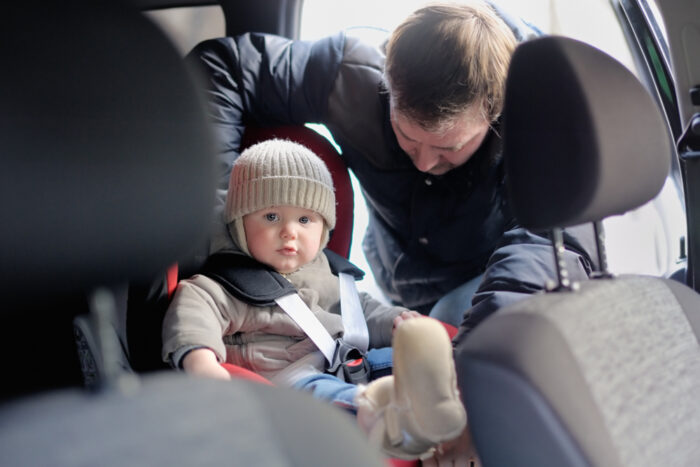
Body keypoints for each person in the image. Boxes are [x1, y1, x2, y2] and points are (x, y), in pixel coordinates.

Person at [186, 0, 597, 331]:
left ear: (495, 113)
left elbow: (553, 241)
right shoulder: (351, 76)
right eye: (407, 136)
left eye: (449, 147)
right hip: (391, 276)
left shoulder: (540, 116)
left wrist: (477, 343)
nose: (424, 162)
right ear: (388, 84)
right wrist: (221, 220)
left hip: (493, 276)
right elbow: (223, 68)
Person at [162, 139, 467, 461]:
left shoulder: (327, 272)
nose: (289, 232)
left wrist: (396, 322)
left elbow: (358, 311)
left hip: (347, 362)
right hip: (289, 383)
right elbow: (194, 310)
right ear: (239, 223)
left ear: (324, 229)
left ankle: (445, 401)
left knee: (403, 358)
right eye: (271, 217)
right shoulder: (229, 281)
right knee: (327, 394)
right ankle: (388, 419)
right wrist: (201, 359)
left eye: (305, 220)